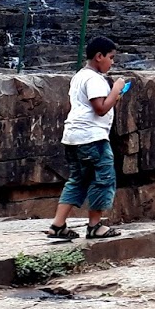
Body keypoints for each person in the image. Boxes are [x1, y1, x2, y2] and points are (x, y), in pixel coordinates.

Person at [47, 35, 127, 240]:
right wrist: (116, 89)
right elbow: (100, 108)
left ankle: (58, 225)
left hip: (73, 138)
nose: (112, 62)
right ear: (99, 56)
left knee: (77, 180)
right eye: (111, 57)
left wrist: (114, 96)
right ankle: (95, 226)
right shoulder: (94, 79)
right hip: (92, 138)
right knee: (103, 179)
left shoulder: (80, 76)